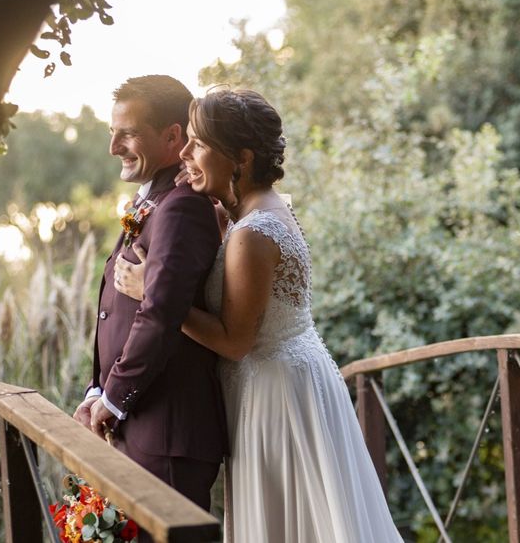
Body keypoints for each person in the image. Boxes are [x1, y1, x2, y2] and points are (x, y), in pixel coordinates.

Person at [114, 88, 403, 542]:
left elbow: (235, 340)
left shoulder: (253, 231)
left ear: (240, 159)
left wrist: (156, 292)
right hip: (293, 380)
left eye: (199, 144)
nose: (185, 153)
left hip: (276, 397)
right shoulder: (258, 212)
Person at [72, 75, 227, 520]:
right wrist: (97, 389)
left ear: (172, 135)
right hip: (139, 424)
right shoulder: (155, 201)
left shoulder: (180, 205)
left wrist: (115, 398)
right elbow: (117, 312)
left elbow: (159, 313)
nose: (114, 146)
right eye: (111, 133)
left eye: (128, 133)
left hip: (166, 433)